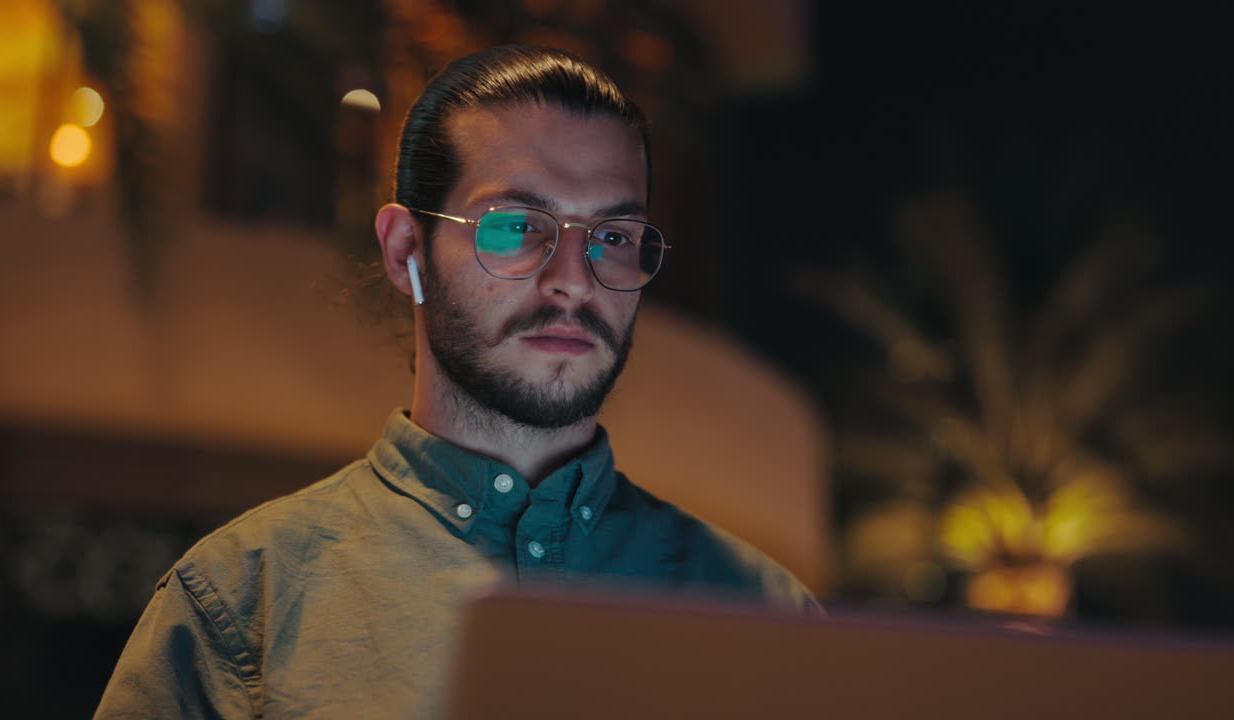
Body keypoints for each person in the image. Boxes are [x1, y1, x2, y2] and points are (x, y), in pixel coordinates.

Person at [95, 44, 821, 719]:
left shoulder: (768, 617)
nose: (573, 281)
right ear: (405, 249)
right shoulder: (239, 603)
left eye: (613, 237)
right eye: (516, 226)